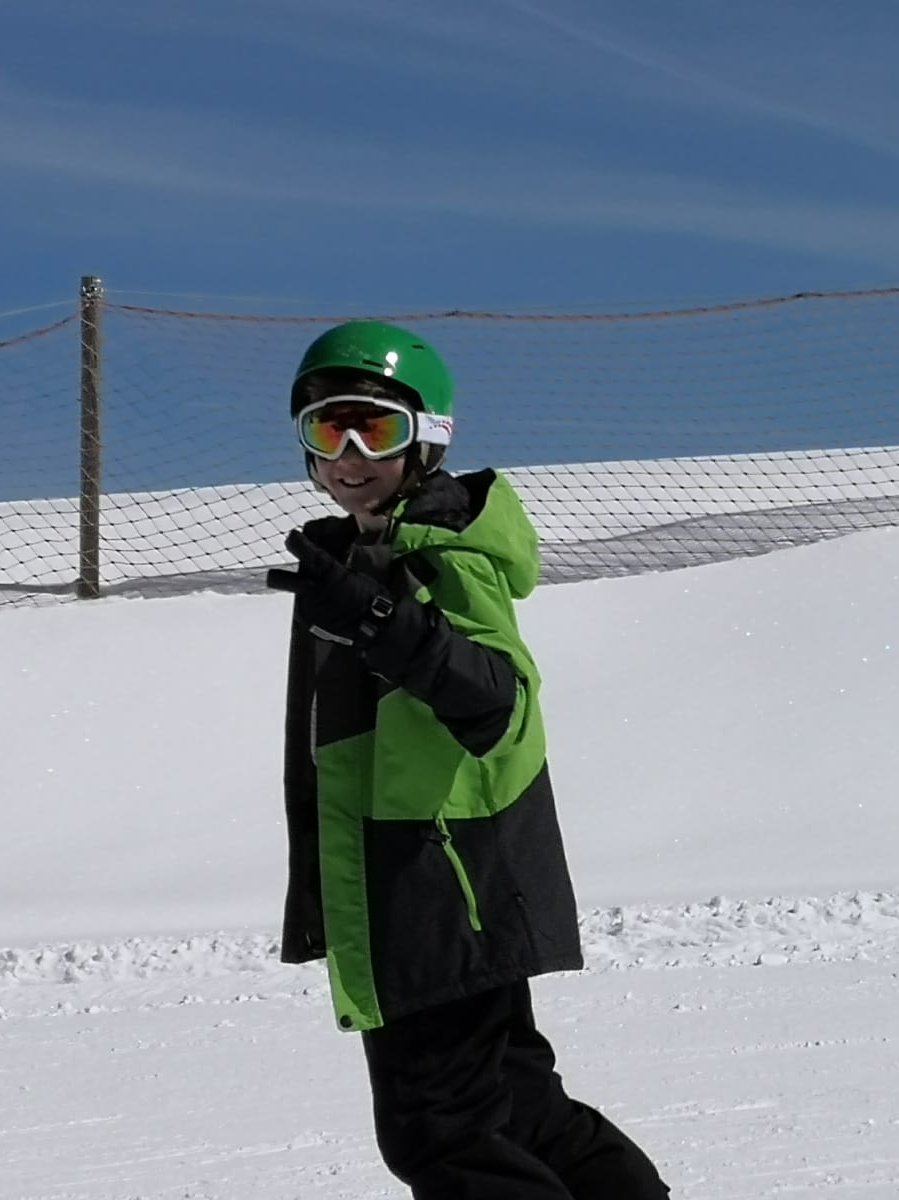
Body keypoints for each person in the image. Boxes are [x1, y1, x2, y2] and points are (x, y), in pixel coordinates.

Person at [268, 320, 670, 1199]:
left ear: (427, 437)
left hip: (437, 876)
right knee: (517, 1110)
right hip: (426, 869)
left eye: (374, 429)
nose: (348, 457)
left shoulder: (441, 553)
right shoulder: (367, 551)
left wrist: (378, 618)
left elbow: (498, 700)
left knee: (437, 1130)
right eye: (326, 431)